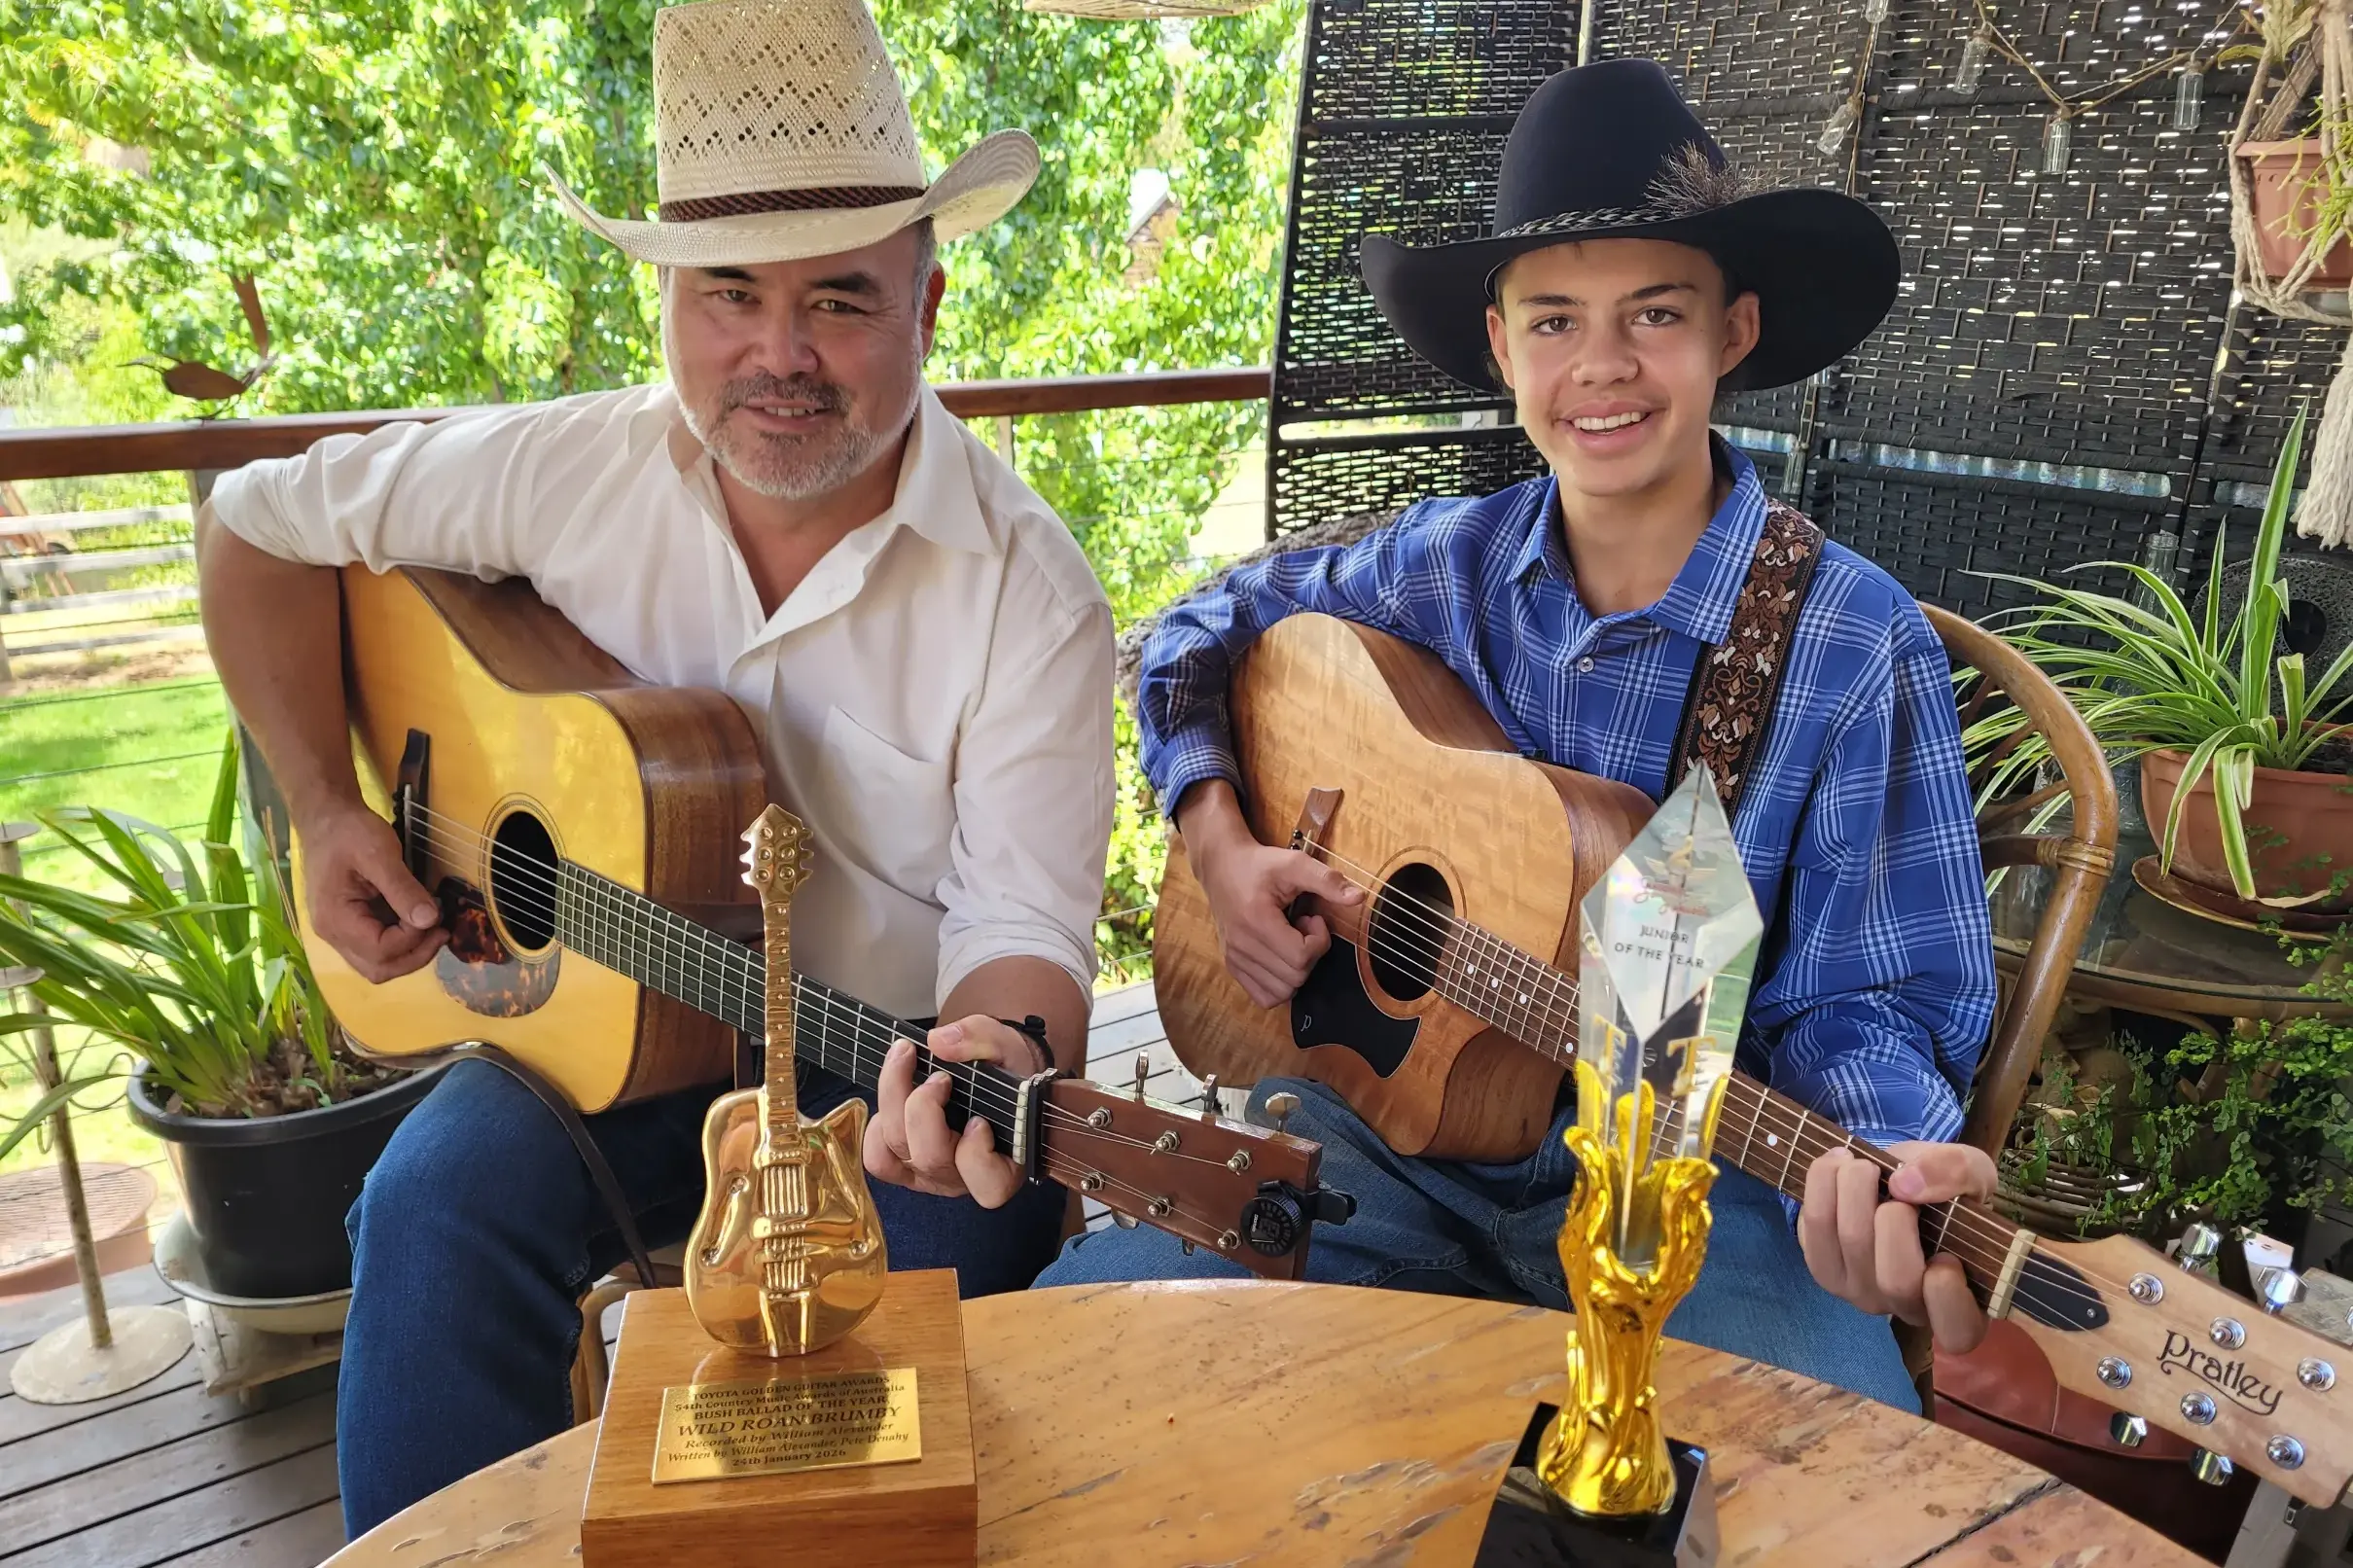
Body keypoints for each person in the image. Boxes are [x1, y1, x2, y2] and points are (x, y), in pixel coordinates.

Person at [921, 59, 2002, 1411]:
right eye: (1553, 321)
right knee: (1074, 1370)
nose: (1599, 366)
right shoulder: (1438, 566)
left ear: (1732, 332)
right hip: (1381, 1146)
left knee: (1838, 1489)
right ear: (1499, 348)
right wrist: (1218, 845)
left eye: (1651, 315)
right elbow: (1195, 629)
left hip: (1701, 1192)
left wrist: (1882, 1163)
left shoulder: (1850, 645)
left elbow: (1875, 1003)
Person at [195, 0, 1111, 1533]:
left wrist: (988, 1061)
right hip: (592, 1037)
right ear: (667, 304)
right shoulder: (569, 471)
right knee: (427, 1209)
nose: (777, 354)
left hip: (866, 1070)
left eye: (840, 300)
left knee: (938, 1307)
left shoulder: (1027, 586)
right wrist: (328, 804)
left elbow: (1021, 927)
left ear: (929, 304)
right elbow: (252, 526)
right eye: (728, 295)